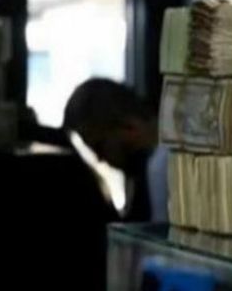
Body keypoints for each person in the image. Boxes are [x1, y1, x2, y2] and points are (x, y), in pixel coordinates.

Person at [63, 78, 168, 222]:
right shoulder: (141, 175)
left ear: (129, 127)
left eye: (100, 146)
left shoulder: (162, 167)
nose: (100, 158)